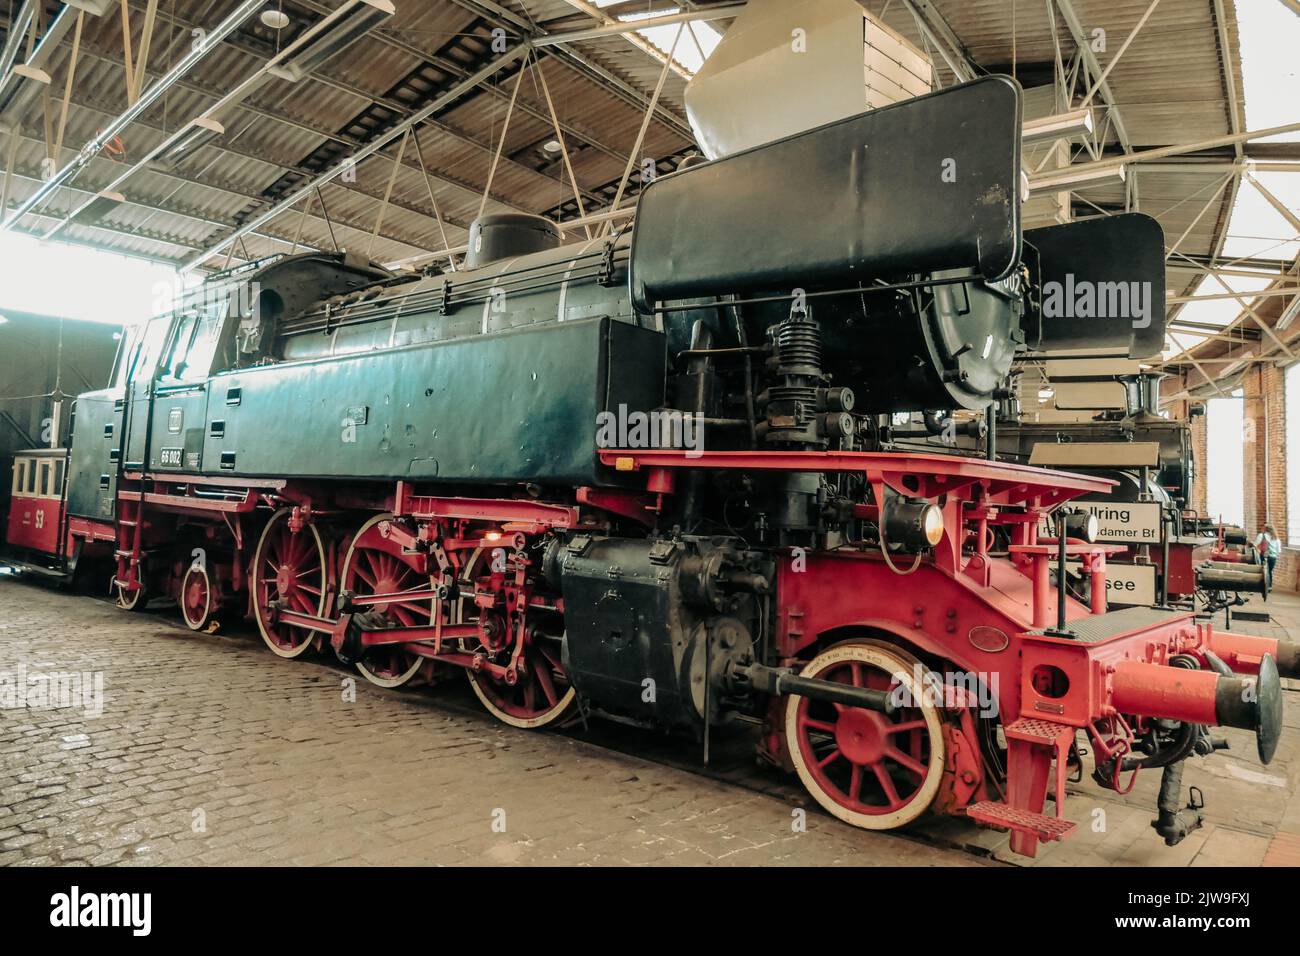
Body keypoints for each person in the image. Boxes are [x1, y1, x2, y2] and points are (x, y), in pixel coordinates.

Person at [1255, 523, 1282, 589]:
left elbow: (1255, 544)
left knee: (1262, 570)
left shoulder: (1261, 535)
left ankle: (1261, 585)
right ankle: (1269, 586)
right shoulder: (1277, 539)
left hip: (1264, 555)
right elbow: (1279, 551)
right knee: (1269, 571)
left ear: (1265, 529)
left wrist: (1257, 550)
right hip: (1273, 557)